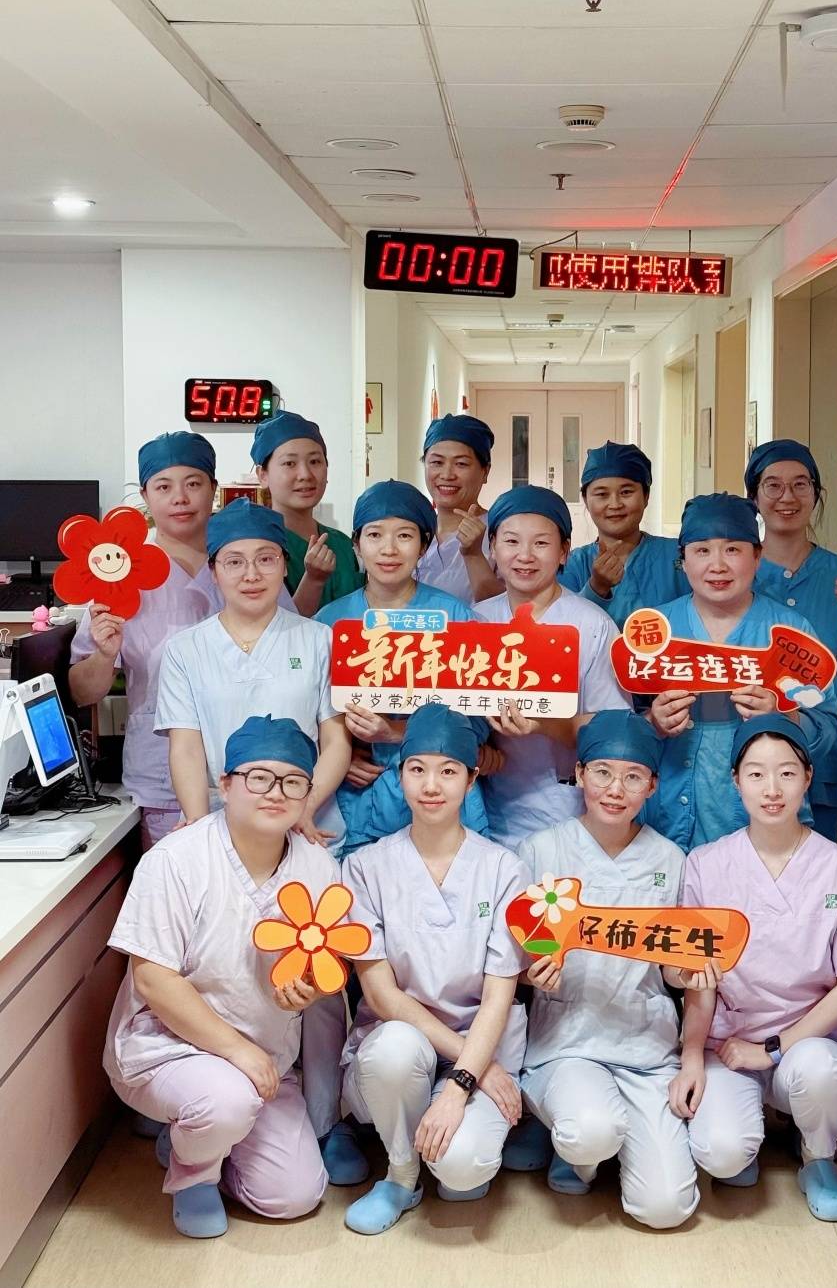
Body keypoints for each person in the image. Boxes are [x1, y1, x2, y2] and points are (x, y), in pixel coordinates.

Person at [102, 716, 340, 1238]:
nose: (275, 792)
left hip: (264, 1062)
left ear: (307, 795)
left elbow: (325, 965)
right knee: (223, 1102)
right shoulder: (175, 860)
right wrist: (236, 1050)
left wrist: (306, 991)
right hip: (169, 1047)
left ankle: (196, 1134)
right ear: (225, 784)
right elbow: (153, 979)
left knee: (294, 1196)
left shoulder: (318, 867)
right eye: (259, 777)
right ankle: (193, 1173)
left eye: (293, 781)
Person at [338, 705, 531, 1235]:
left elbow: (498, 996)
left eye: (448, 771)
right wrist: (472, 1072)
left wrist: (463, 1080)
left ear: (471, 779)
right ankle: (400, 1175)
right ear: (399, 775)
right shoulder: (365, 867)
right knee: (395, 1049)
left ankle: (447, 1144)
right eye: (417, 768)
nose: (431, 785)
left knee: (462, 1172)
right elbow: (383, 996)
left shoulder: (505, 869)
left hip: (483, 1043)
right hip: (403, 1043)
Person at [518, 710, 711, 1229]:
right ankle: (580, 1151)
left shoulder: (670, 861)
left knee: (666, 1209)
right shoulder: (542, 850)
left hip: (646, 1047)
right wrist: (531, 973)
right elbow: (514, 960)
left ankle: (609, 1143)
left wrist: (688, 975)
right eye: (602, 772)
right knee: (590, 1131)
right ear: (579, 774)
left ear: (653, 785)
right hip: (568, 1041)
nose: (615, 789)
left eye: (633, 776)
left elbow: (671, 971)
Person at [679, 714, 837, 1221]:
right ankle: (753, 1134)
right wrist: (692, 1053)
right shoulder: (704, 865)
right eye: (756, 773)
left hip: (810, 1043)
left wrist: (772, 1049)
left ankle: (818, 1155)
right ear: (735, 780)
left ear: (808, 778)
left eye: (787, 773)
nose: (772, 789)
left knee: (820, 1072)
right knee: (723, 1155)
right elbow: (697, 979)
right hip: (729, 1042)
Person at [644, 492, 837, 853]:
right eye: (702, 550)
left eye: (733, 549)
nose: (717, 565)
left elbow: (828, 728)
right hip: (666, 827)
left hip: (766, 831)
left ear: (757, 556)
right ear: (683, 560)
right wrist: (652, 723)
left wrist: (784, 717)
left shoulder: (791, 634)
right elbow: (620, 725)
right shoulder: (652, 631)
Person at [154, 498, 349, 836]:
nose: (251, 574)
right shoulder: (185, 650)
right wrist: (200, 830)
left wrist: (305, 808)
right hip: (220, 818)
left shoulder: (320, 639)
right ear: (214, 572)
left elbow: (336, 741)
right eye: (234, 562)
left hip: (306, 820)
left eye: (266, 559)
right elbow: (186, 748)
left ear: (285, 566)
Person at [314, 479, 491, 853]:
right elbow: (307, 712)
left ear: (424, 546)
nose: (389, 549)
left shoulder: (456, 618)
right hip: (356, 796)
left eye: (405, 536)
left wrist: (396, 732)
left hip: (443, 798)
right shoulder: (330, 622)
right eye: (375, 535)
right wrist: (336, 758)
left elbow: (477, 720)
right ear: (356, 544)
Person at [69, 431, 222, 850]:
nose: (180, 498)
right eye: (164, 487)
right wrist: (105, 655)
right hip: (162, 776)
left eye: (193, 483)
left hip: (252, 774)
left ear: (213, 488)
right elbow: (82, 692)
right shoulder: (118, 574)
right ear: (145, 496)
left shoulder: (242, 561)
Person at [476, 485, 631, 847]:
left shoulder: (592, 625)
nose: (525, 556)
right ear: (493, 547)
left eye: (542, 543)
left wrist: (546, 723)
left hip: (569, 814)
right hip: (485, 811)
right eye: (511, 541)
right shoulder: (476, 622)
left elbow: (612, 728)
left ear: (564, 552)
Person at [745, 439, 837, 842]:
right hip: (751, 753)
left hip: (821, 758)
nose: (787, 497)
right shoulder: (738, 574)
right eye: (773, 485)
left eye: (800, 484)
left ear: (816, 493)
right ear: (754, 497)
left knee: (817, 868)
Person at [560, 441, 690, 629]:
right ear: (586, 500)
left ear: (646, 496)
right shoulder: (571, 565)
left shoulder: (679, 555)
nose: (615, 504)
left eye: (626, 492)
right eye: (602, 494)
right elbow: (560, 628)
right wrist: (596, 588)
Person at [251, 410, 362, 617]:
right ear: (263, 475)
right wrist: (313, 580)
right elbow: (268, 628)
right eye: (289, 463)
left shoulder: (343, 545)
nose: (305, 475)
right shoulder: (254, 547)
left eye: (315, 462)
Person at [417, 413, 503, 603]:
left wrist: (474, 555)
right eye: (437, 463)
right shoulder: (412, 531)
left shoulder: (502, 533)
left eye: (461, 464)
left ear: (485, 471)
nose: (447, 475)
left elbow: (506, 608)